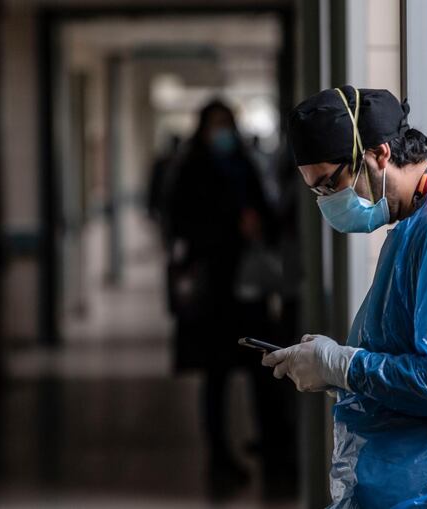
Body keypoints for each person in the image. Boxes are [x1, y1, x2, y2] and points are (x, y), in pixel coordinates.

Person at [262, 86, 427, 507]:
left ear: (380, 154)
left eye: (331, 183)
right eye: (316, 192)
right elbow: (404, 355)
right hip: (404, 479)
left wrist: (342, 366)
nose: (328, 201)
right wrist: (332, 369)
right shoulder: (414, 224)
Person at [162, 99, 292, 499]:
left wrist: (258, 227)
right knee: (215, 377)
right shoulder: (190, 170)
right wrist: (228, 228)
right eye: (214, 126)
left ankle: (273, 449)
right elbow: (178, 224)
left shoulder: (246, 166)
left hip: (248, 290)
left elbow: (271, 216)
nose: (222, 135)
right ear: (202, 130)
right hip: (212, 292)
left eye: (226, 126)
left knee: (262, 371)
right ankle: (220, 454)